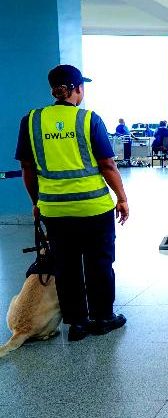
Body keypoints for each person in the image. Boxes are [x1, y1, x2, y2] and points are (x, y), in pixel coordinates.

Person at [15, 64, 130, 342]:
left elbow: (27, 170)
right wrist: (122, 198)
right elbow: (107, 165)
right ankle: (103, 317)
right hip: (93, 208)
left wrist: (37, 202)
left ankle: (76, 323)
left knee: (65, 266)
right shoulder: (89, 119)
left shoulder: (31, 121)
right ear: (78, 89)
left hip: (54, 209)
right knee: (99, 263)